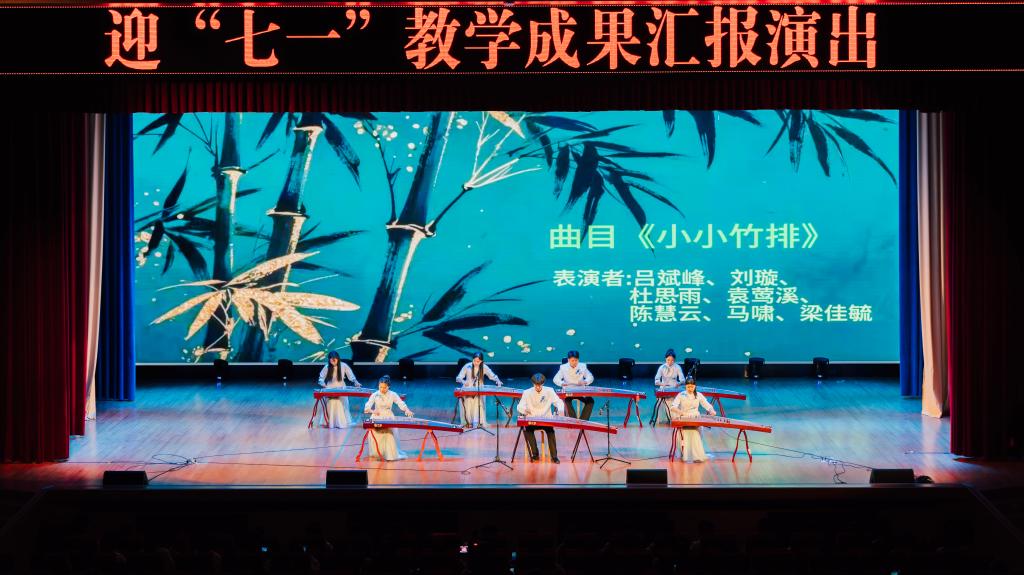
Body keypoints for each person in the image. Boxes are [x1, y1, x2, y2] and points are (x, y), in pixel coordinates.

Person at [363, 375, 414, 461]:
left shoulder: (392, 394)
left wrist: (407, 410)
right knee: (377, 435)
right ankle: (379, 453)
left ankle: (390, 454)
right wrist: (373, 411)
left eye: (384, 387)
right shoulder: (375, 395)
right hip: (377, 416)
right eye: (380, 387)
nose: (382, 389)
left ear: (388, 387)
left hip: (388, 416)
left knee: (389, 435)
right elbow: (367, 407)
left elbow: (400, 403)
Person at [517, 373, 565, 463]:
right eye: (536, 385)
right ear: (533, 384)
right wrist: (525, 410)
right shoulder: (527, 392)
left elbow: (558, 402)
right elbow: (520, 406)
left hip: (546, 419)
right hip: (532, 419)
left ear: (543, 384)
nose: (538, 387)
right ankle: (535, 454)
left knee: (551, 431)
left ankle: (554, 456)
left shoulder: (549, 391)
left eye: (540, 385)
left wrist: (561, 410)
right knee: (528, 431)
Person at [670, 377, 716, 462]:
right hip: (685, 417)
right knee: (684, 434)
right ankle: (685, 453)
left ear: (695, 386)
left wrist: (711, 410)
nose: (690, 389)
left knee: (697, 433)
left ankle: (696, 455)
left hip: (695, 417)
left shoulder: (698, 395)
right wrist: (681, 413)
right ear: (685, 386)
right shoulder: (681, 395)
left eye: (692, 387)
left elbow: (706, 404)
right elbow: (673, 407)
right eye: (688, 387)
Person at [456, 352, 503, 427]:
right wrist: (463, 381)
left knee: (479, 405)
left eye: (478, 361)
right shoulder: (467, 366)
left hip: (479, 389)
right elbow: (458, 378)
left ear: (481, 361)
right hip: (468, 389)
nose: (475, 363)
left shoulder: (484, 367)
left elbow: (492, 375)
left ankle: (478, 422)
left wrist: (498, 380)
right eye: (474, 361)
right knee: (467, 406)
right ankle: (467, 422)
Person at [317, 351, 361, 428]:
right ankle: (329, 422)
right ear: (329, 360)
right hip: (330, 388)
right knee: (329, 404)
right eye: (331, 360)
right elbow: (321, 378)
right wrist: (322, 383)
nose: (333, 362)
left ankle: (344, 421)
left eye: (335, 359)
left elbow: (351, 375)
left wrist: (355, 382)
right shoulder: (327, 367)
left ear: (338, 359)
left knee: (344, 404)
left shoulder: (343, 365)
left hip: (341, 387)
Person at [552, 350, 595, 420]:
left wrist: (585, 381)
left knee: (590, 401)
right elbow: (555, 379)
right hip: (568, 391)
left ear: (578, 360)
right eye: (572, 360)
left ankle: (582, 421)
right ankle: (573, 421)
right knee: (566, 401)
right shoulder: (563, 367)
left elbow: (590, 377)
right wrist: (562, 383)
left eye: (576, 360)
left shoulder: (582, 366)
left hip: (580, 390)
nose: (574, 362)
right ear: (568, 360)